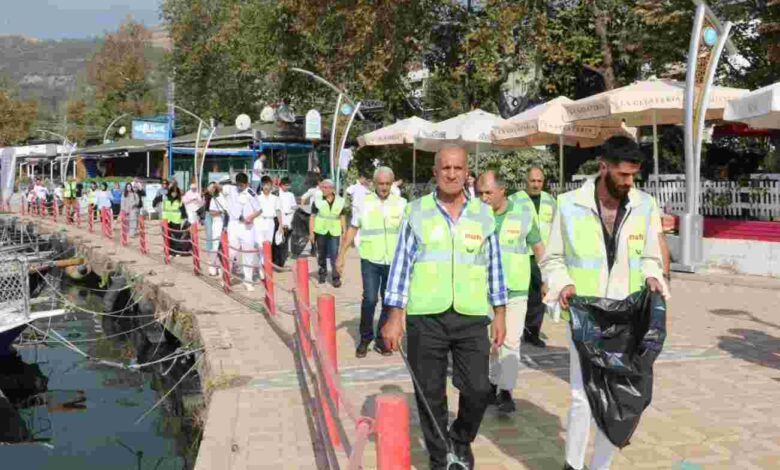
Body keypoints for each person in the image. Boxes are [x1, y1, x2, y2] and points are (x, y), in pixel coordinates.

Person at [540, 136, 668, 470]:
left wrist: (654, 276)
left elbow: (652, 257)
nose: (629, 183)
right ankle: (573, 464)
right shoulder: (568, 204)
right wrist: (562, 283)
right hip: (584, 315)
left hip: (627, 317)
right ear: (603, 167)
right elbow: (552, 259)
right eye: (623, 175)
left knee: (621, 397)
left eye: (633, 176)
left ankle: (601, 466)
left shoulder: (644, 205)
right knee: (583, 397)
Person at [382, 145, 507, 469]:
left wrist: (500, 314)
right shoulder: (417, 211)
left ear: (468, 174)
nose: (452, 174)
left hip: (471, 315)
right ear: (436, 173)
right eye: (445, 168)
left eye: (458, 168)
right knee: (430, 393)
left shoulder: (483, 214)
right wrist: (395, 316)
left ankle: (461, 438)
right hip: (427, 317)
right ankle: (441, 459)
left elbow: (494, 265)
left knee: (479, 389)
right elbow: (401, 266)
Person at [477, 170, 545, 414]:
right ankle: (492, 385)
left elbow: (538, 246)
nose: (483, 197)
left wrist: (546, 277)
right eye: (480, 193)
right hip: (483, 289)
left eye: (488, 192)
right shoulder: (474, 215)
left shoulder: (523, 213)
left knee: (511, 340)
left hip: (515, 289)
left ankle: (506, 392)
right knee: (491, 342)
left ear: (502, 190)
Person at [336, 167, 406, 358]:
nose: (384, 187)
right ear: (374, 184)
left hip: (392, 260)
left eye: (387, 184)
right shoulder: (364, 203)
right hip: (370, 259)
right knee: (370, 299)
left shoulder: (401, 204)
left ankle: (382, 339)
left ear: (392, 184)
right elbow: (353, 228)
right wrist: (341, 255)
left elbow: (408, 233)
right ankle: (365, 338)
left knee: (388, 301)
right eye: (381, 184)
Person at [510, 166, 556, 348]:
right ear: (526, 181)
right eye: (532, 181)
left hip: (542, 256)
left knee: (539, 296)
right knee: (519, 295)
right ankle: (515, 330)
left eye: (539, 181)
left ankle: (532, 332)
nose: (536, 185)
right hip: (521, 254)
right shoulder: (515, 200)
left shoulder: (550, 201)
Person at [225, 172, 261, 291]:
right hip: (234, 225)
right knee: (231, 252)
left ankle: (248, 280)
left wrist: (250, 217)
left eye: (242, 185)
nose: (240, 187)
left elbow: (259, 210)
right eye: (238, 184)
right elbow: (217, 188)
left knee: (248, 254)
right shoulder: (232, 190)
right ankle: (226, 277)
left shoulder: (251, 193)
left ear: (246, 183)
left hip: (247, 227)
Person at [309, 179, 345, 287]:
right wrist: (311, 233)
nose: (322, 189)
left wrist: (344, 231)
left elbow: (342, 216)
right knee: (322, 254)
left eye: (325, 187)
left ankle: (335, 277)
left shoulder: (340, 201)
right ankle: (322, 274)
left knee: (334, 254)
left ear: (331, 189)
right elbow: (312, 217)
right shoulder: (317, 200)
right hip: (321, 230)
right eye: (322, 187)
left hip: (334, 231)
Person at [251, 175, 281, 268]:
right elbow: (253, 211)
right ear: (262, 185)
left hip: (270, 221)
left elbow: (278, 211)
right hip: (259, 221)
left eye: (268, 184)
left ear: (271, 185)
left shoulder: (275, 198)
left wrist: (280, 225)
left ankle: (266, 265)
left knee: (268, 244)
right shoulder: (257, 197)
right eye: (264, 185)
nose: (266, 187)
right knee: (260, 244)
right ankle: (262, 265)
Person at [291, 172, 322, 258]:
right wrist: (303, 208)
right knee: (313, 231)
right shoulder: (313, 190)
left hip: (322, 212)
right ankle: (313, 248)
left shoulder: (323, 190)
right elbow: (303, 198)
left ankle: (317, 248)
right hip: (314, 213)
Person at [273, 176, 297, 267]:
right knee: (278, 240)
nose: (287, 187)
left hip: (288, 218)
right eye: (286, 185)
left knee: (286, 239)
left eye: (288, 185)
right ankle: (277, 259)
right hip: (279, 218)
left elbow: (293, 206)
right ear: (281, 185)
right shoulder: (276, 194)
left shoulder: (290, 195)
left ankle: (283, 259)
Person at [205, 182, 228, 277]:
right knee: (216, 245)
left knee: (226, 246)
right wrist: (220, 212)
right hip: (217, 222)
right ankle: (213, 267)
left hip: (227, 222)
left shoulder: (225, 196)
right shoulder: (213, 199)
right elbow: (211, 212)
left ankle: (226, 267)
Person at [162, 185, 190, 256]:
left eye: (176, 193)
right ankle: (170, 251)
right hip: (167, 221)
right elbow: (162, 209)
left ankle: (176, 251)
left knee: (176, 238)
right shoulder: (166, 200)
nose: (174, 194)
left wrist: (184, 220)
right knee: (168, 237)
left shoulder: (180, 202)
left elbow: (184, 213)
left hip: (176, 221)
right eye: (173, 192)